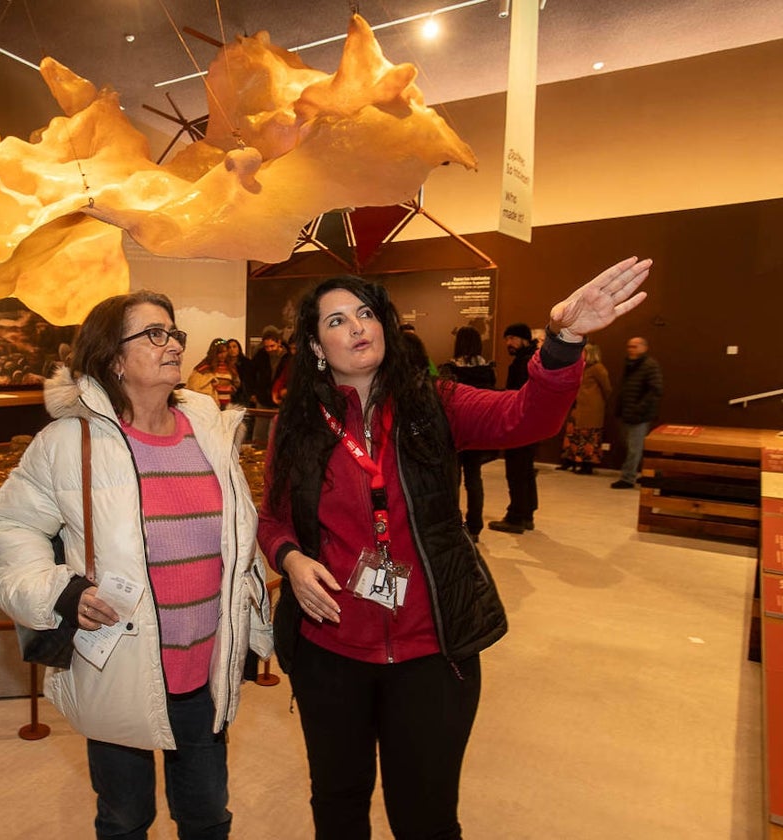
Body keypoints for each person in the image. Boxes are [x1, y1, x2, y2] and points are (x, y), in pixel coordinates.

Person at [257, 257, 651, 839]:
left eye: (366, 313)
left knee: (426, 818)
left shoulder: (434, 403)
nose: (357, 327)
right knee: (338, 805)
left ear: (385, 326)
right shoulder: (297, 426)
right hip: (330, 651)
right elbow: (272, 519)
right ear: (316, 345)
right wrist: (290, 557)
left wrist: (564, 341)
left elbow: (528, 417)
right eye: (336, 321)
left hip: (432, 651)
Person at [0, 290, 272, 840]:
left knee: (208, 815)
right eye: (154, 334)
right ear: (113, 358)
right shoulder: (68, 442)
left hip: (206, 669)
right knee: (123, 818)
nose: (173, 345)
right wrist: (60, 592)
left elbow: (236, 535)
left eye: (174, 333)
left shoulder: (209, 431)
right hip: (119, 663)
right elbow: (10, 527)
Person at [442, 326, 497, 541]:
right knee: (474, 479)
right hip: (477, 432)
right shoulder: (487, 369)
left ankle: (453, 525)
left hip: (455, 432)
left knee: (452, 480)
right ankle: (475, 527)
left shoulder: (450, 369)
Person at [487, 323, 540, 533]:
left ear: (524, 339)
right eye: (507, 339)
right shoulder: (531, 358)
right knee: (526, 469)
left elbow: (518, 394)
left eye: (512, 338)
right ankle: (527, 513)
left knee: (517, 470)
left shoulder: (524, 362)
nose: (509, 343)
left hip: (520, 423)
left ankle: (516, 517)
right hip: (531, 424)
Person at [611, 335, 664, 488]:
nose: (631, 350)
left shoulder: (649, 365)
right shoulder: (630, 365)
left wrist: (639, 408)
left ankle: (628, 478)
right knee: (631, 446)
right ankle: (647, 473)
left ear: (644, 348)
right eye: (629, 347)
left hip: (640, 415)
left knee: (634, 448)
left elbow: (656, 390)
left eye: (635, 346)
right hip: (626, 412)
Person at [559, 343, 612, 474]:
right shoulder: (581, 367)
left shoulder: (598, 368)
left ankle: (587, 465)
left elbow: (607, 388)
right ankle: (570, 460)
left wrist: (598, 402)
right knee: (573, 433)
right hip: (577, 407)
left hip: (591, 409)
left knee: (588, 436)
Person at [248, 325, 288, 444]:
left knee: (275, 433)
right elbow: (251, 373)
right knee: (259, 432)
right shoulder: (261, 355)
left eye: (272, 346)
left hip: (279, 400)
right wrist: (253, 392)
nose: (269, 349)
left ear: (279, 342)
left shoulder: (288, 357)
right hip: (263, 398)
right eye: (267, 347)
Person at [186, 337, 240, 408]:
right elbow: (195, 384)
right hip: (211, 404)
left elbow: (236, 383)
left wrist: (231, 387)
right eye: (220, 352)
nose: (223, 355)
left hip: (227, 404)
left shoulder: (230, 366)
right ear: (214, 353)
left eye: (225, 351)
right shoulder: (205, 366)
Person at [224, 337, 253, 406]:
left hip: (243, 395)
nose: (232, 349)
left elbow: (250, 380)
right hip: (228, 394)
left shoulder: (246, 362)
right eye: (229, 347)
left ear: (239, 348)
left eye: (234, 347)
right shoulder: (224, 364)